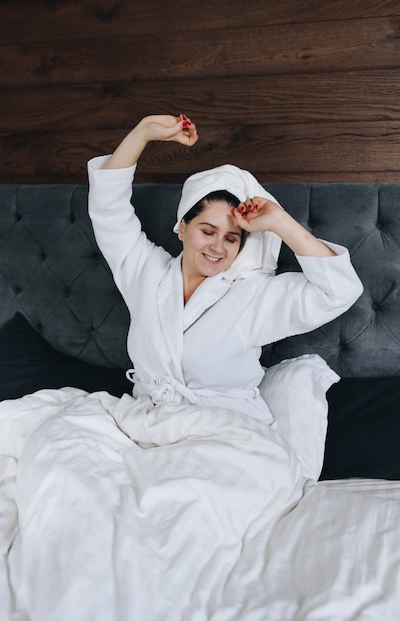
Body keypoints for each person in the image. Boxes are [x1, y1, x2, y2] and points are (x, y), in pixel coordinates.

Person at [87, 114, 363, 426]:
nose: (218, 247)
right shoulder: (146, 272)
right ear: (181, 226)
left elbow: (339, 290)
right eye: (207, 231)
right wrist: (142, 133)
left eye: (231, 238)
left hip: (226, 430)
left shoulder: (253, 295)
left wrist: (279, 222)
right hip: (149, 423)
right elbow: (108, 208)